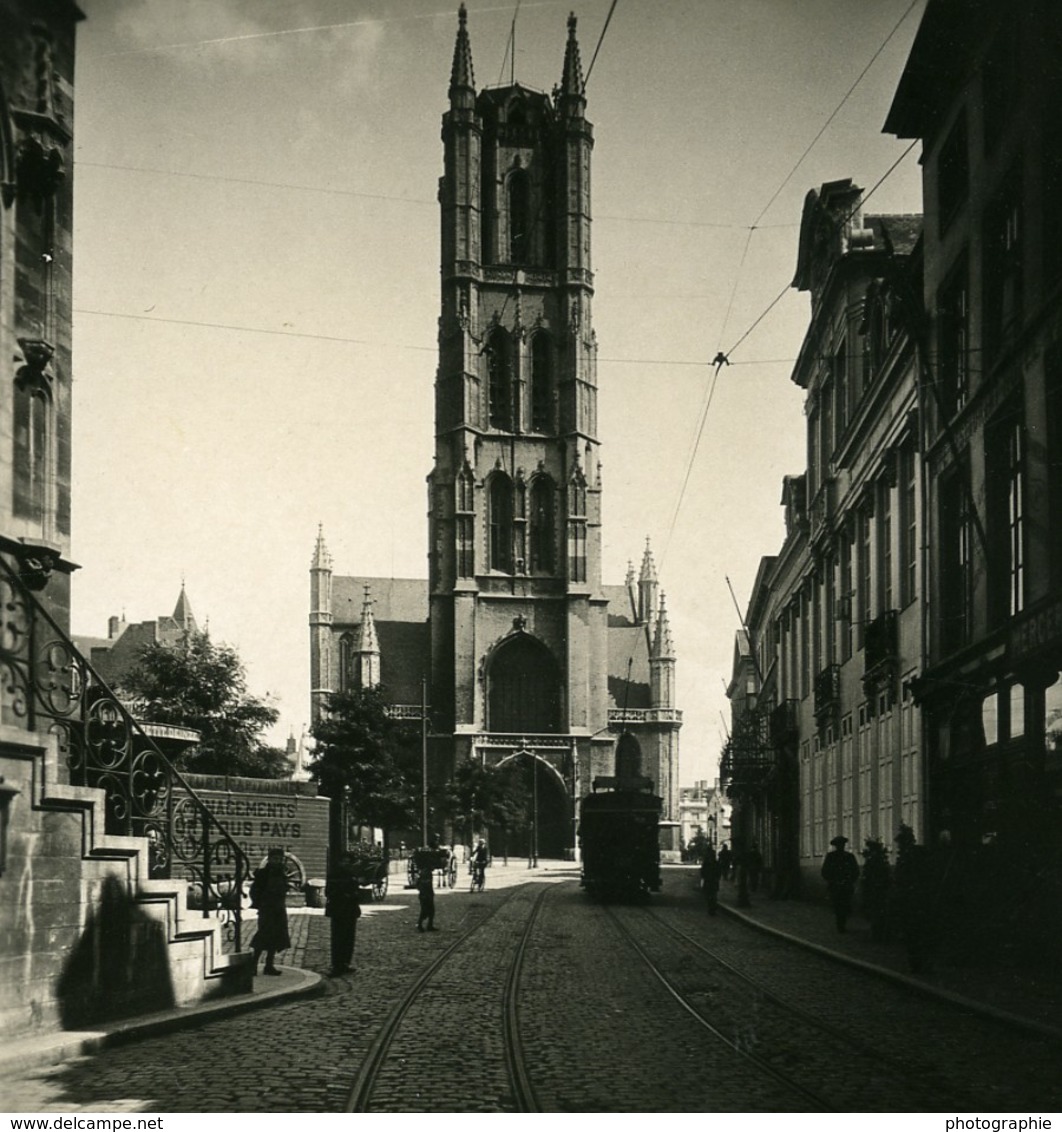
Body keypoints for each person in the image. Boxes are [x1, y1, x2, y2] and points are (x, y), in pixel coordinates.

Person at [250, 847, 291, 975]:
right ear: (269, 859)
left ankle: (269, 965)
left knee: (276, 936)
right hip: (267, 909)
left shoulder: (282, 873)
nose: (277, 861)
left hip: (279, 908)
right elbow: (254, 891)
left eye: (280, 859)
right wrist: (261, 903)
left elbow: (283, 889)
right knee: (263, 935)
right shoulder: (262, 874)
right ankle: (253, 965)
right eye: (275, 858)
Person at [325, 850, 362, 975]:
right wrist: (344, 894)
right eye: (343, 861)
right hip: (338, 909)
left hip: (351, 909)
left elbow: (357, 891)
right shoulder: (334, 874)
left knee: (349, 937)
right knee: (338, 938)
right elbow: (329, 891)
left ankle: (346, 963)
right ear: (339, 862)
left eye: (348, 861)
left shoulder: (352, 873)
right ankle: (337, 965)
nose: (346, 863)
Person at [821, 834, 860, 933]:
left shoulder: (849, 856)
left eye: (842, 844)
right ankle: (840, 924)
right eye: (839, 845)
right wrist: (832, 880)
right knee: (838, 905)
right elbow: (825, 871)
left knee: (844, 904)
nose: (840, 846)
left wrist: (850, 880)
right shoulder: (831, 857)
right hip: (836, 885)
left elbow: (855, 871)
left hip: (845, 885)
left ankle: (841, 923)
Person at [415, 840, 439, 931]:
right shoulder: (426, 872)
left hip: (426, 893)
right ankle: (420, 924)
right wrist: (426, 894)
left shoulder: (425, 871)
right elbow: (424, 883)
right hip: (425, 894)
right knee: (426, 910)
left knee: (430, 910)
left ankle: (429, 925)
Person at [699, 846, 721, 915]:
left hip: (710, 881)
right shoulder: (712, 863)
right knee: (711, 895)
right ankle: (711, 908)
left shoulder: (708, 863)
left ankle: (712, 909)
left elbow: (702, 872)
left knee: (711, 896)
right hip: (711, 881)